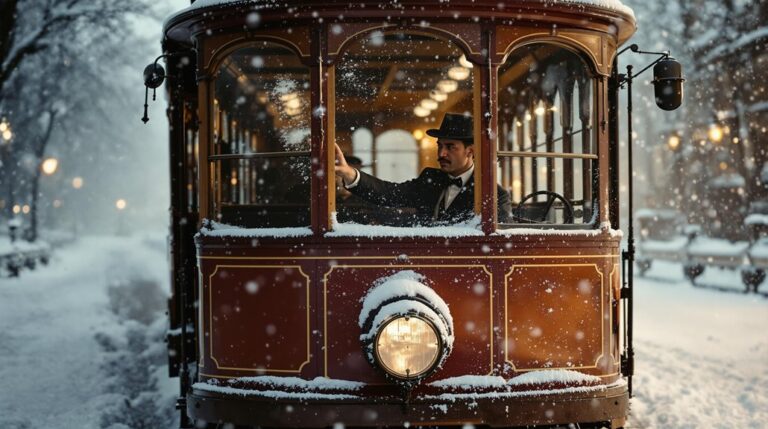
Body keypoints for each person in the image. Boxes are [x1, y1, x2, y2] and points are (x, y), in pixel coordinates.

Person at [334, 113, 511, 226]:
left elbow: (499, 244)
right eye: (439, 146)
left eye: (450, 147)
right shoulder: (430, 179)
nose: (441, 153)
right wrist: (349, 173)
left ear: (470, 151)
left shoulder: (493, 194)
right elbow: (389, 193)